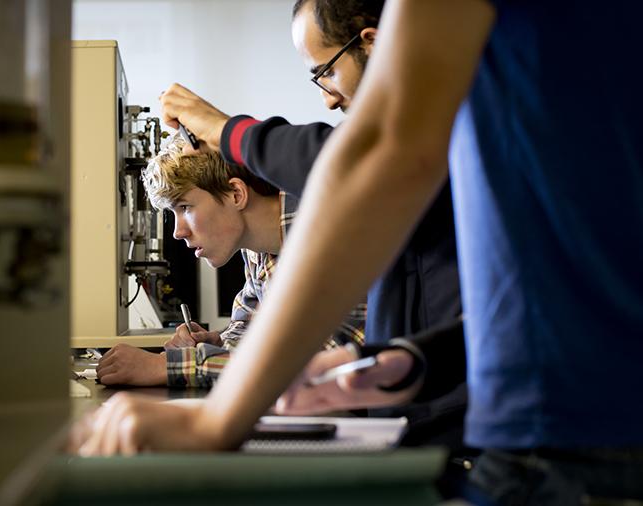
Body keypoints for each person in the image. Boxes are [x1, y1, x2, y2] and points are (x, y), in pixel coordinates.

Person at [79, 0, 643, 502]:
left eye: (324, 72)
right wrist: (415, 357)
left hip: (571, 434)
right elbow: (556, 285)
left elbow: (377, 151)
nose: (327, 100)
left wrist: (219, 420)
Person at [159, 0, 468, 452]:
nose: (326, 97)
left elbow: (359, 159)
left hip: (464, 433)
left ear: (373, 44)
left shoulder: (439, 134)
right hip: (419, 426)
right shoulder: (263, 252)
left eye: (325, 71)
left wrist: (227, 131)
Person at [96, 135, 365, 388]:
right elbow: (250, 326)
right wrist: (216, 342)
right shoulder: (258, 248)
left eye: (185, 208)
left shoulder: (320, 231)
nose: (178, 232)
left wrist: (166, 366)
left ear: (236, 194)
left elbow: (316, 365)